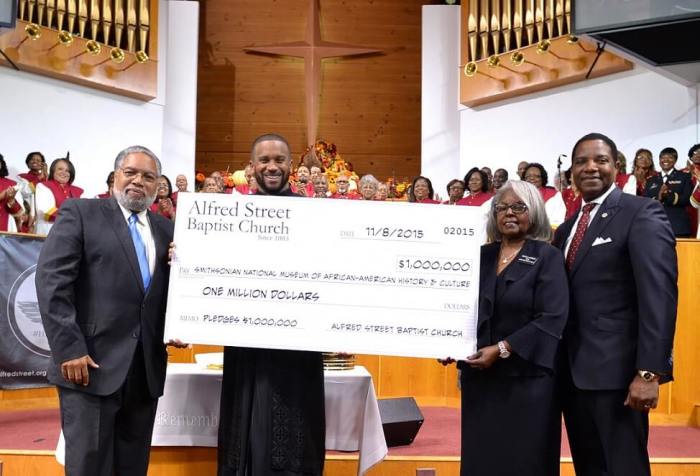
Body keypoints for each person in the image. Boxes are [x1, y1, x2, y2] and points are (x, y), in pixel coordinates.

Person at [36, 145, 185, 476]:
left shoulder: (167, 230)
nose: (137, 181)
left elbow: (169, 292)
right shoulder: (81, 212)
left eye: (148, 176)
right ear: (116, 175)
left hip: (144, 370)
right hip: (88, 364)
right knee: (89, 467)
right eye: (130, 172)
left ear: (158, 184)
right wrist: (69, 349)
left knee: (132, 467)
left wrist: (180, 321)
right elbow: (51, 284)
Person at [553, 133, 677, 476]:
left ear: (616, 167)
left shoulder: (642, 212)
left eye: (600, 160)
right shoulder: (565, 229)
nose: (590, 167)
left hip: (621, 379)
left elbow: (659, 296)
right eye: (581, 162)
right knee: (589, 468)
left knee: (624, 469)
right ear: (571, 173)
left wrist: (649, 372)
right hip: (572, 377)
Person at [218, 133, 325, 476]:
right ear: (252, 167)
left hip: (299, 344)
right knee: (243, 430)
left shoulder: (315, 215)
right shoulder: (228, 217)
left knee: (296, 432)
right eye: (264, 160)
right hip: (245, 342)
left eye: (279, 159)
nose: (272, 166)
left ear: (291, 166)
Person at [454, 180, 568, 476]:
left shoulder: (548, 256)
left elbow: (553, 317)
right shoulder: (480, 256)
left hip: (528, 379)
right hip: (481, 379)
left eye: (519, 206)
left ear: (535, 213)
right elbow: (460, 309)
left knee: (524, 461)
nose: (509, 213)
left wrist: (504, 348)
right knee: (482, 459)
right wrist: (449, 343)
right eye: (501, 207)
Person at [643, 147, 693, 237]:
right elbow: (645, 202)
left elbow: (688, 199)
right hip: (655, 226)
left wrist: (668, 196)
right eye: (662, 157)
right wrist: (658, 198)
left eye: (670, 157)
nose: (665, 160)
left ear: (675, 160)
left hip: (678, 227)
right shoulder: (651, 180)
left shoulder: (684, 177)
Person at [35, 158, 83, 235]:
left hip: (72, 236)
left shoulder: (78, 191)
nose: (64, 172)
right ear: (53, 171)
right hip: (48, 233)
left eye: (67, 170)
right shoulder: (43, 186)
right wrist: (74, 217)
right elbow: (46, 211)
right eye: (60, 169)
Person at [16, 151, 47, 233]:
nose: (35, 161)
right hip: (28, 216)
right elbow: (25, 192)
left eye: (38, 160)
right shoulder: (22, 177)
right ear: (28, 163)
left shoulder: (47, 180)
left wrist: (46, 177)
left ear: (42, 164)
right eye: (32, 159)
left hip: (43, 217)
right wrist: (39, 178)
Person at [0, 154, 24, 232]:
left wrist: (11, 201)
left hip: (6, 231)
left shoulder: (12, 184)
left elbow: (18, 213)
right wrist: (1, 196)